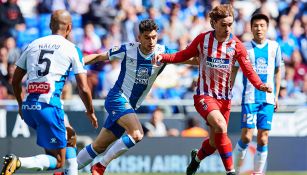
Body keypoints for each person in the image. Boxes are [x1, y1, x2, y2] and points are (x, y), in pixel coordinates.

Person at [152, 4, 272, 175]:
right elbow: (183, 55)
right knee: (222, 126)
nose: (228, 28)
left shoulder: (236, 45)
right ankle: (231, 172)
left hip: (225, 99)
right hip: (204, 95)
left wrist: (260, 84)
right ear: (214, 23)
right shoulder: (203, 40)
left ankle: (197, 159)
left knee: (215, 143)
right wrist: (163, 57)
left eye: (230, 24)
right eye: (224, 25)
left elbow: (248, 69)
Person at [1, 10, 98, 175]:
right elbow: (83, 87)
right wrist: (90, 111)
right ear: (69, 28)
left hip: (29, 107)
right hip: (49, 107)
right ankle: (17, 161)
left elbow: (16, 80)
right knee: (59, 161)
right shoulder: (71, 48)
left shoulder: (33, 44)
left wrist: (20, 104)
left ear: (50, 25)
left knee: (70, 135)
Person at [76, 19, 178, 175]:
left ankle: (65, 172)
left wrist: (207, 61)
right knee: (137, 134)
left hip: (129, 107)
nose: (151, 41)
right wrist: (77, 63)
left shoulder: (164, 52)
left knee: (99, 146)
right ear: (139, 37)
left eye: (154, 37)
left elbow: (188, 58)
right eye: (146, 37)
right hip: (117, 98)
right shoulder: (127, 49)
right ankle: (100, 166)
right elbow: (98, 57)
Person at [232, 13, 282, 175]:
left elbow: (278, 70)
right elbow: (233, 69)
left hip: (267, 99)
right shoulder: (243, 47)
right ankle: (233, 171)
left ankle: (258, 173)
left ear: (267, 28)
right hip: (250, 98)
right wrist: (229, 90)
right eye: (255, 26)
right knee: (246, 137)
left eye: (262, 25)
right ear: (251, 28)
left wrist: (276, 95)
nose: (259, 28)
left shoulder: (274, 47)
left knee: (263, 137)